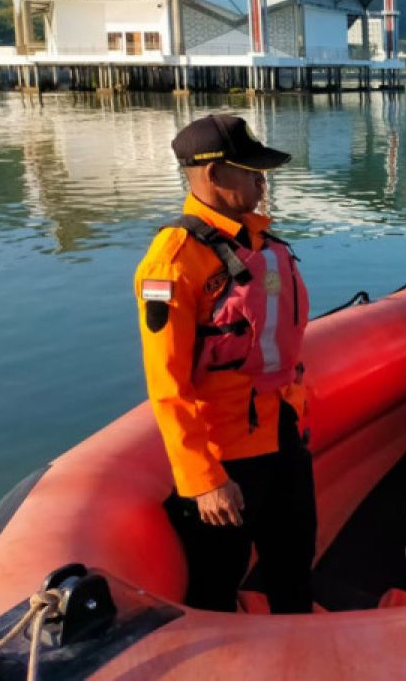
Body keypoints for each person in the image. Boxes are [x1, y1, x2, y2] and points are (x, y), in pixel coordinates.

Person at [134, 114, 316, 613]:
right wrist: (204, 479)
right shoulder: (172, 262)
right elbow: (166, 384)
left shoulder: (259, 242)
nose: (262, 180)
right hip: (226, 457)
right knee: (215, 586)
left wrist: (295, 419)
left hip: (280, 435)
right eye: (251, 170)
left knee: (295, 567)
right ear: (213, 176)